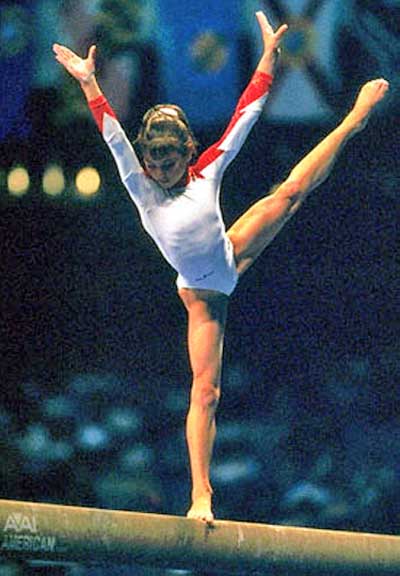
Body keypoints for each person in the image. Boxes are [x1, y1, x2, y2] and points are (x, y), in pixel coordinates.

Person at [53, 11, 389, 523]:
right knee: (206, 391)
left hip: (229, 252)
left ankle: (352, 119)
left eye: (168, 162)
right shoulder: (137, 181)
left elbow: (248, 112)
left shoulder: (205, 169)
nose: (159, 171)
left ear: (188, 152)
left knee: (293, 191)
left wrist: (270, 58)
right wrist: (88, 83)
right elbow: (111, 134)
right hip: (202, 295)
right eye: (152, 162)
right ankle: (202, 496)